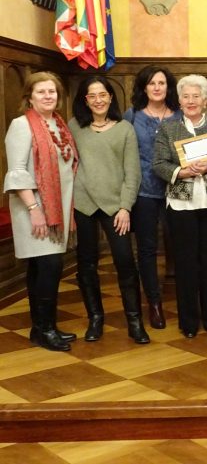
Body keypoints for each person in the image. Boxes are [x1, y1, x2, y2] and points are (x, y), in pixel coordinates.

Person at [69, 77, 149, 344]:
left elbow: (132, 172)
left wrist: (125, 207)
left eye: (103, 94)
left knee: (125, 262)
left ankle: (135, 322)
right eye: (92, 96)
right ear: (85, 100)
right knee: (86, 264)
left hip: (116, 207)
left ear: (111, 98)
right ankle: (95, 319)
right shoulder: (74, 127)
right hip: (83, 205)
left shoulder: (125, 128)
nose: (98, 100)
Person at [4, 72, 77, 352]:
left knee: (42, 267)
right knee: (49, 266)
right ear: (29, 96)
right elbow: (17, 171)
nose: (48, 96)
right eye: (42, 92)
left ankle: (43, 327)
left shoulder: (59, 125)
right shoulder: (22, 125)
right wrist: (34, 209)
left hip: (57, 208)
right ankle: (44, 329)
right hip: (33, 209)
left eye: (52, 92)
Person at [153, 75, 207, 338]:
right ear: (180, 100)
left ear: (206, 100)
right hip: (181, 204)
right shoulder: (168, 128)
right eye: (186, 96)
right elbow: (159, 164)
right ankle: (188, 322)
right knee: (185, 264)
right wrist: (181, 172)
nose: (191, 101)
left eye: (197, 96)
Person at [124, 65, 182, 330]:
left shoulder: (180, 116)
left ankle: (186, 301)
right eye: (152, 83)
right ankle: (154, 304)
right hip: (144, 190)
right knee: (147, 250)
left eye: (162, 83)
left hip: (178, 190)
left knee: (182, 246)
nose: (157, 87)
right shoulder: (132, 116)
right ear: (144, 88)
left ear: (168, 87)